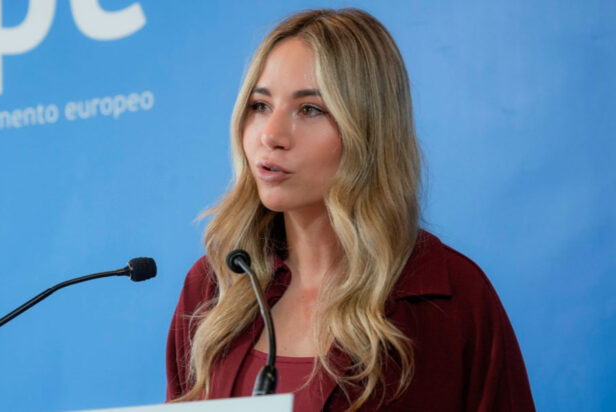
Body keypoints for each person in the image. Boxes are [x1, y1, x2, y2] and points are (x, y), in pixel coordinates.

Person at [166, 8, 535, 411]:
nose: (271, 135)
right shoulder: (214, 287)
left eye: (310, 109)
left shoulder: (454, 299)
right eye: (260, 105)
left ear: (369, 131)